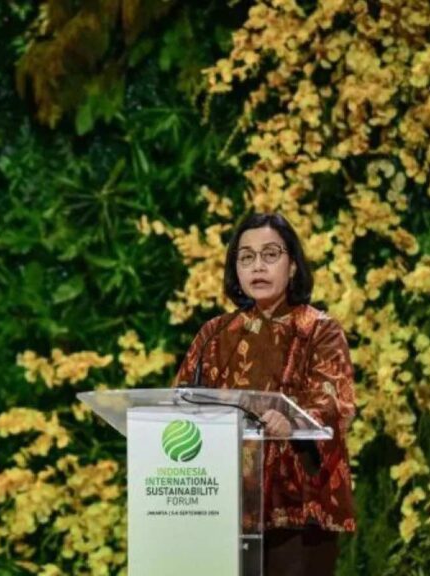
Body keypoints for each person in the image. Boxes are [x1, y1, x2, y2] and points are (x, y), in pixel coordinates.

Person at [173, 212, 356, 575]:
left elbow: (334, 402)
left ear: (292, 266)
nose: (258, 265)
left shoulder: (319, 331)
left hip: (300, 509)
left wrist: (289, 419)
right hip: (224, 507)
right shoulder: (214, 335)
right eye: (246, 257)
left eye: (270, 255)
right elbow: (182, 404)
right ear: (236, 270)